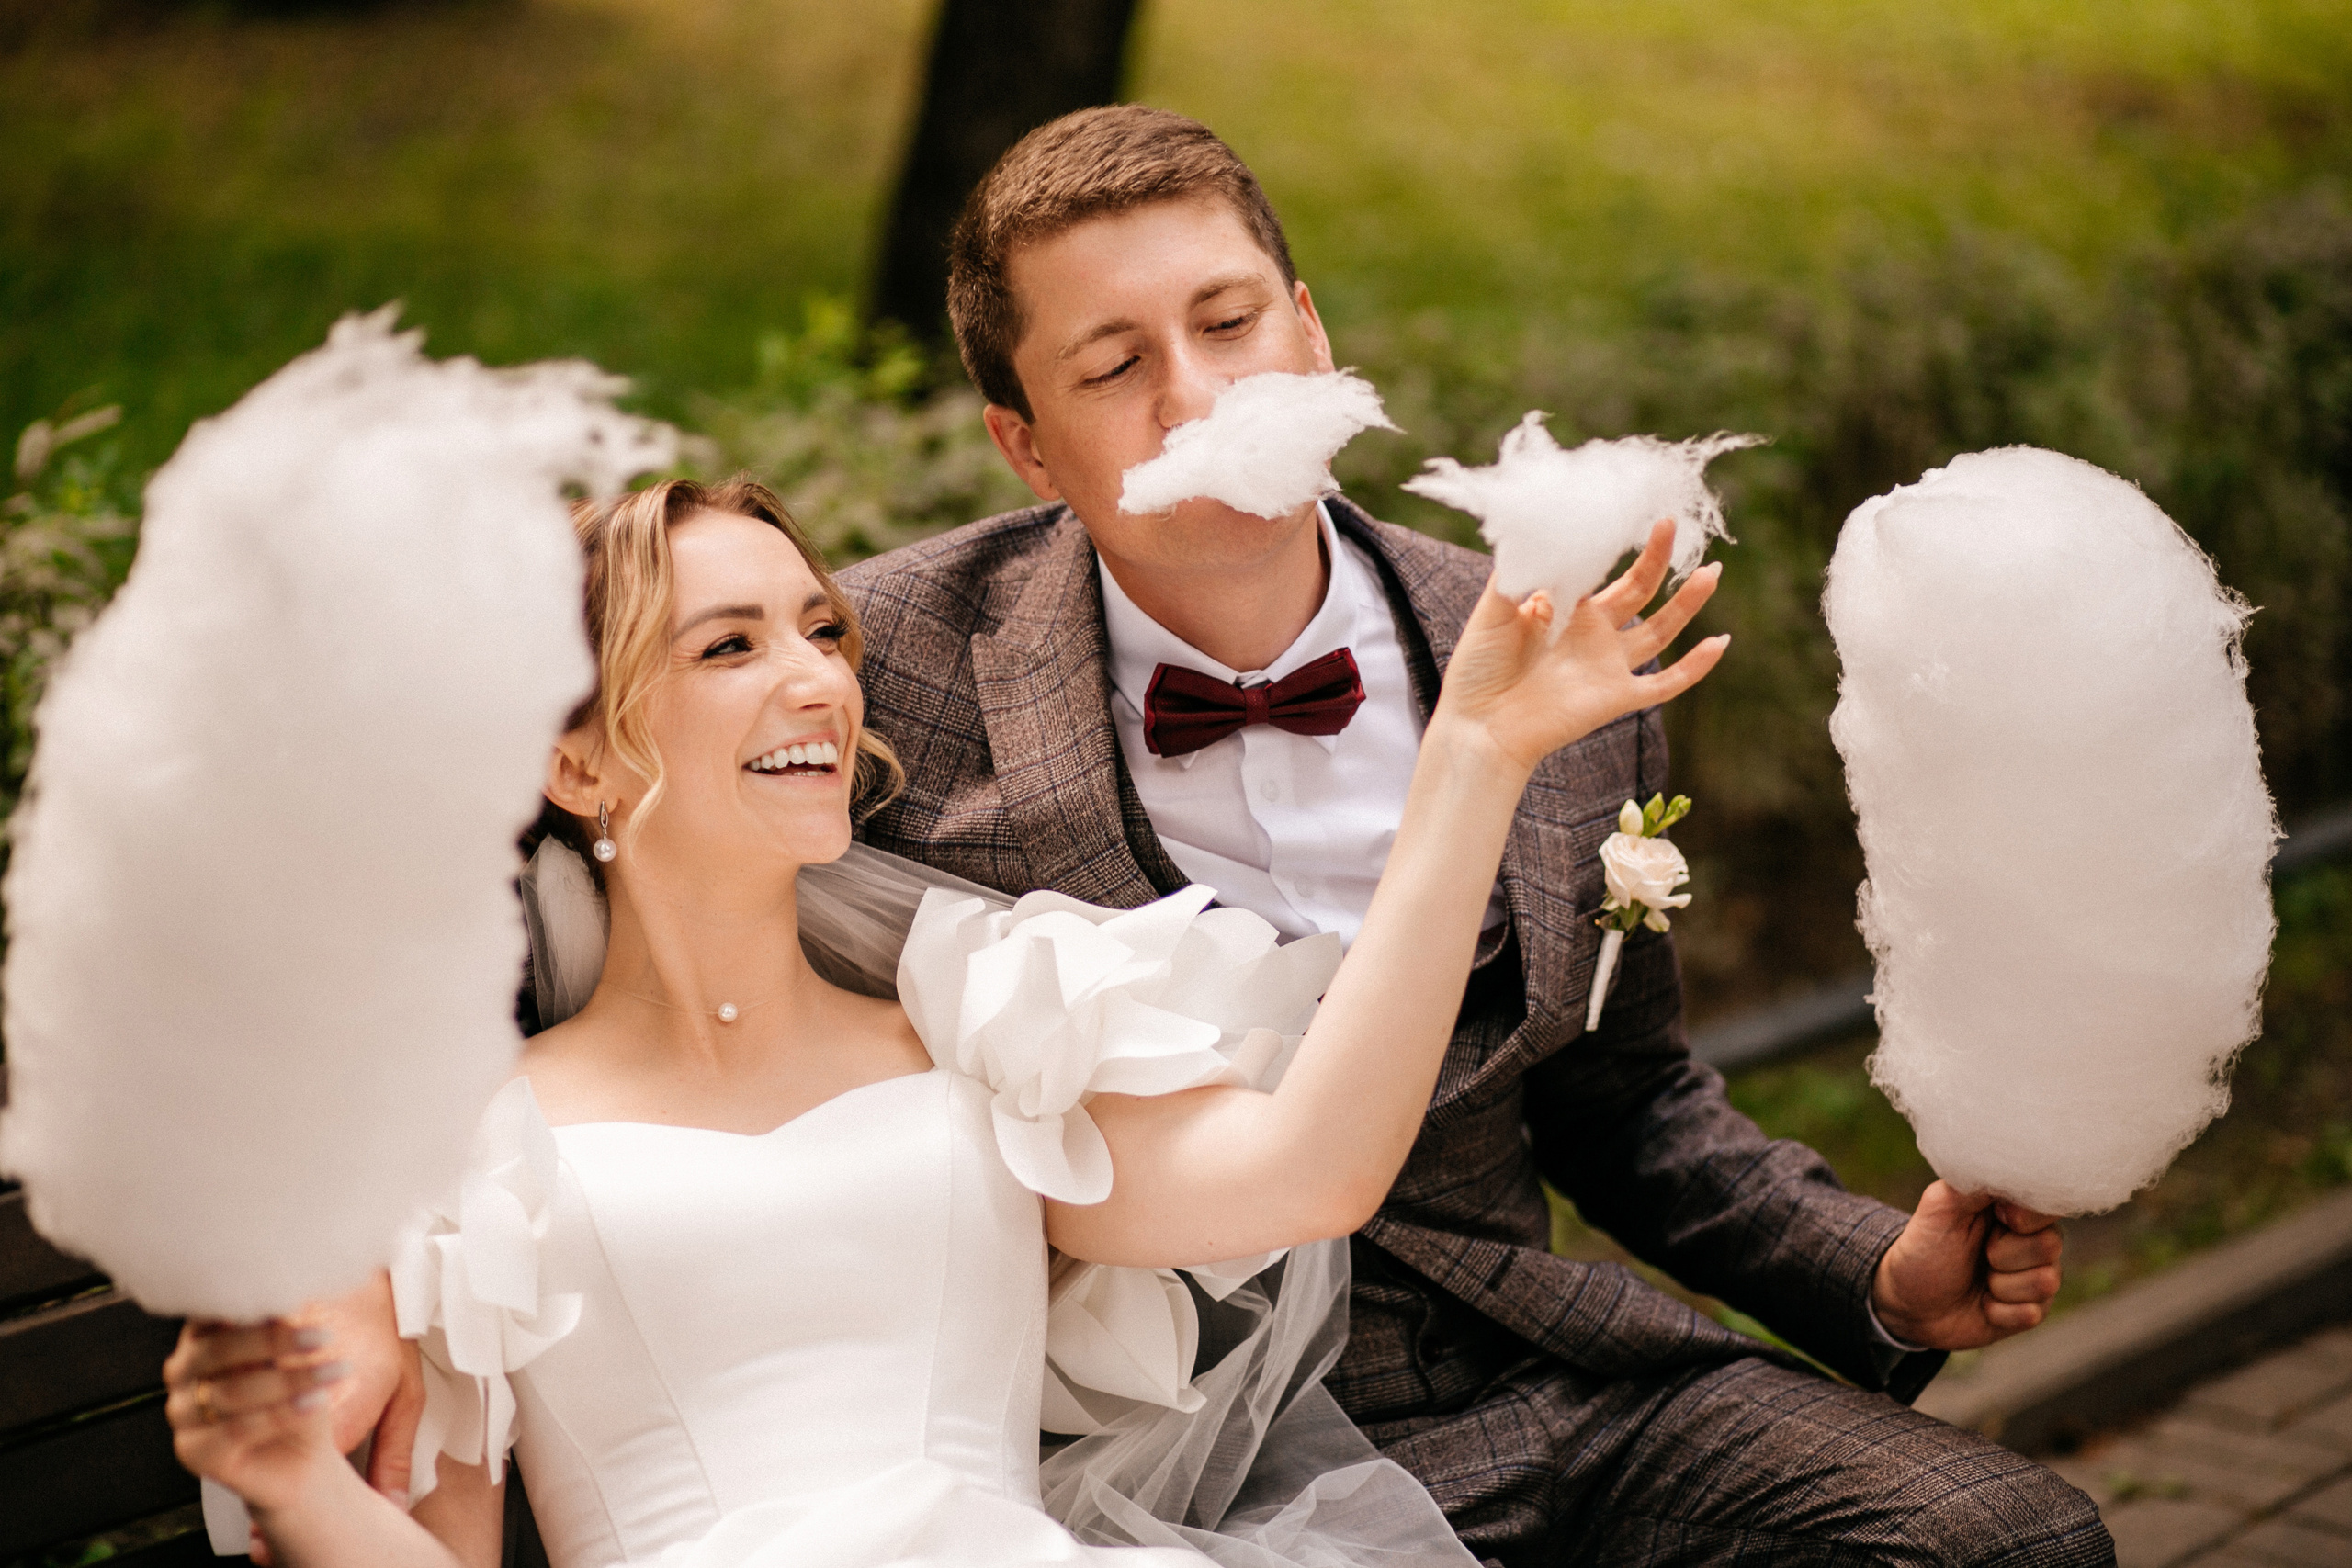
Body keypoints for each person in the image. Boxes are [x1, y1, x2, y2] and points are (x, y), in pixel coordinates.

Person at [826, 107, 2113, 1566]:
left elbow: (1622, 1099)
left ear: (1314, 339)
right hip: (1171, 1466)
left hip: (1539, 1376)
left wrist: (1877, 1275)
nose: (1195, 399)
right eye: (1113, 367)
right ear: (1026, 447)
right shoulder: (887, 673)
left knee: (2005, 1542)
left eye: (1230, 322)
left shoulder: (1553, 643)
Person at [162, 474, 1724, 1568]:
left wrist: (1474, 755)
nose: (818, 684)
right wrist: (292, 1481)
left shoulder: (977, 1030)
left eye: (819, 632)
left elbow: (1305, 1177)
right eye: (728, 647)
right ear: (577, 771)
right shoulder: (464, 1143)